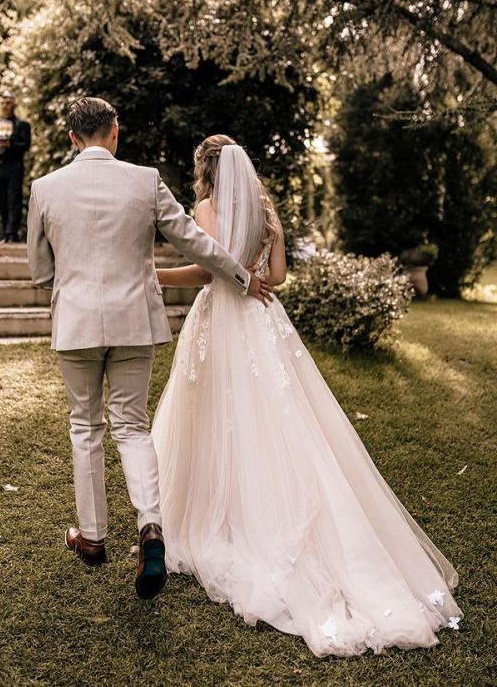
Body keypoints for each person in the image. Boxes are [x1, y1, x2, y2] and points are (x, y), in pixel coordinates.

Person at [152, 135, 463, 656]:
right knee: (276, 420)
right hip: (262, 322)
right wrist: (251, 274)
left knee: (214, 418)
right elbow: (276, 277)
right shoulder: (267, 214)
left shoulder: (205, 207)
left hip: (223, 318)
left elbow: (210, 269)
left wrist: (156, 275)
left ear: (207, 170)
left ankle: (220, 515)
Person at [25, 99, 272, 600]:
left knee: (85, 426)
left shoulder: (44, 189)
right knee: (132, 426)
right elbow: (194, 242)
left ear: (72, 138)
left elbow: (39, 272)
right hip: (135, 322)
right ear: (115, 132)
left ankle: (92, 537)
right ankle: (152, 529)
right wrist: (244, 277)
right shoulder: (145, 180)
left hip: (75, 323)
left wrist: (70, 285)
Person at [0, 90, 31, 243]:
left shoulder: (23, 125)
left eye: (8, 103)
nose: (5, 106)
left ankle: (12, 233)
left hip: (14, 167)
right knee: (1, 201)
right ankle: (6, 233)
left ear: (14, 105)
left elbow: (25, 145)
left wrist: (9, 144)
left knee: (14, 200)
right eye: (3, 103)